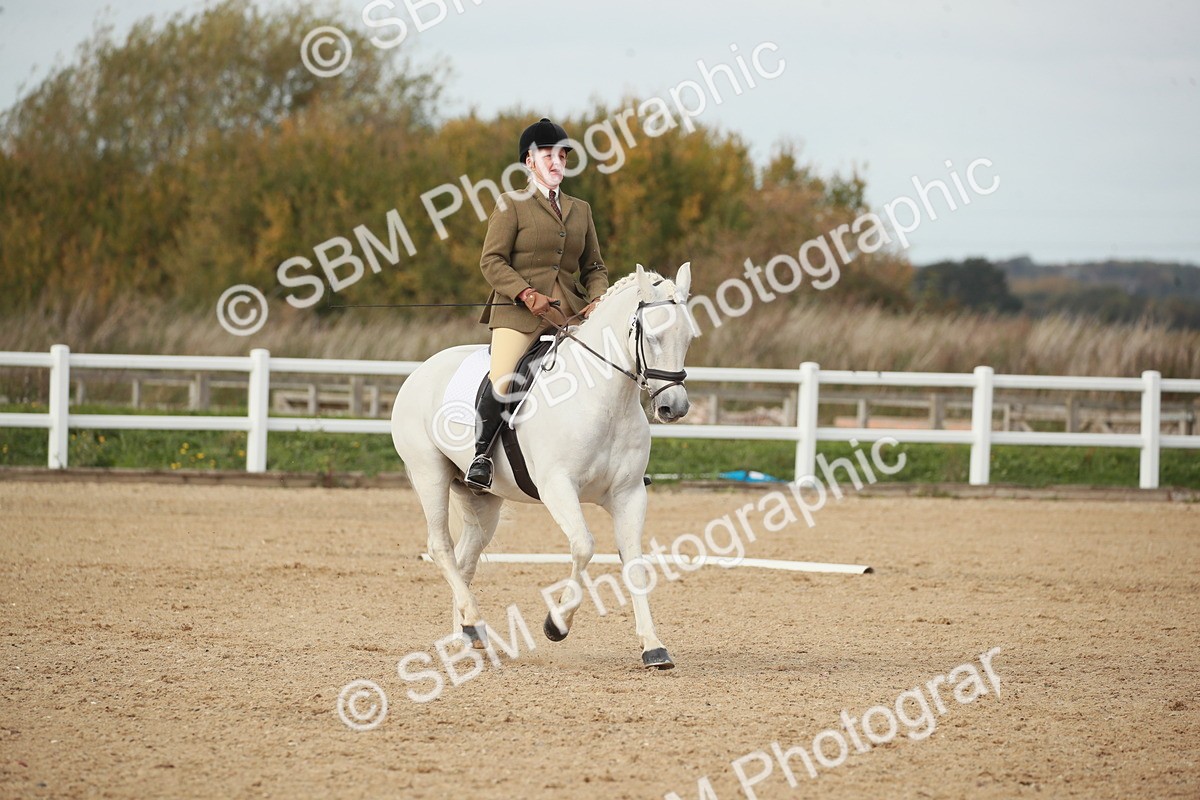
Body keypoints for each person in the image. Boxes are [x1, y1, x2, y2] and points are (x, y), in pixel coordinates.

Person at [465, 118, 609, 490]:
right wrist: (526, 293)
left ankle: (616, 457)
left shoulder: (582, 209)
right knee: (504, 377)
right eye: (548, 155)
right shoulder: (511, 205)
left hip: (569, 311)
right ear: (528, 161)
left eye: (562, 155)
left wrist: (597, 299)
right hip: (518, 313)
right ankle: (481, 455)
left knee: (607, 369)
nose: (557, 162)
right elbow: (491, 261)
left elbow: (594, 266)